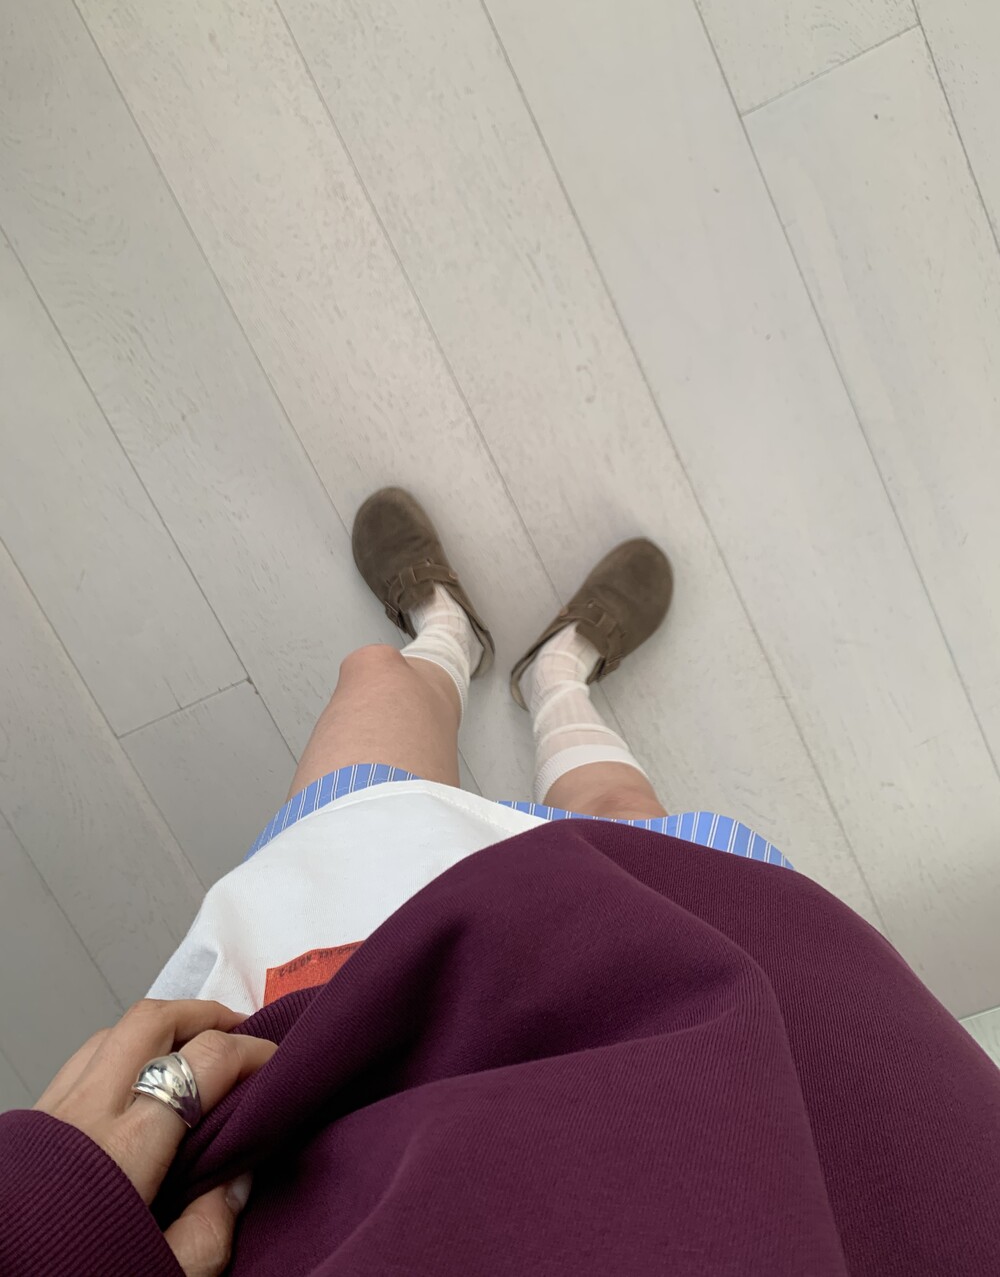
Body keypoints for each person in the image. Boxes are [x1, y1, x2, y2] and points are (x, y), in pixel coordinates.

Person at [1, 488, 998, 1277]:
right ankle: (560, 678)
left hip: (326, 1054)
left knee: (376, 690)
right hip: (763, 1089)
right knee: (619, 814)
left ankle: (446, 634)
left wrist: (49, 1234)